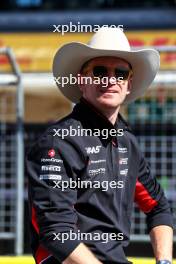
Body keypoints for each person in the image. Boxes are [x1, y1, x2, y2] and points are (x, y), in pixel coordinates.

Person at [26, 27, 173, 264]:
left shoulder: (127, 142)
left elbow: (158, 207)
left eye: (121, 73)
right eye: (100, 71)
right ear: (82, 81)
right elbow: (57, 232)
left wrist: (164, 261)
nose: (111, 80)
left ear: (128, 84)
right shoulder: (59, 141)